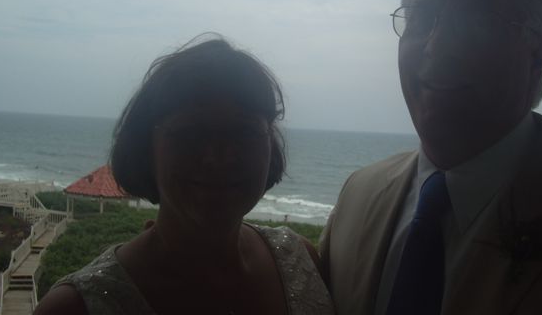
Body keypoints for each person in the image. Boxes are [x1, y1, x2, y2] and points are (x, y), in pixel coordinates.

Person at [319, 0, 542, 315]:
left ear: (536, 55)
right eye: (421, 18)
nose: (437, 47)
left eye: (473, 23)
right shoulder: (358, 195)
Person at [35, 34, 335, 315]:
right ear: (146, 147)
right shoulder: (73, 308)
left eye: (244, 131)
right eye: (191, 133)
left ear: (271, 144)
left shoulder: (300, 260)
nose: (218, 157)